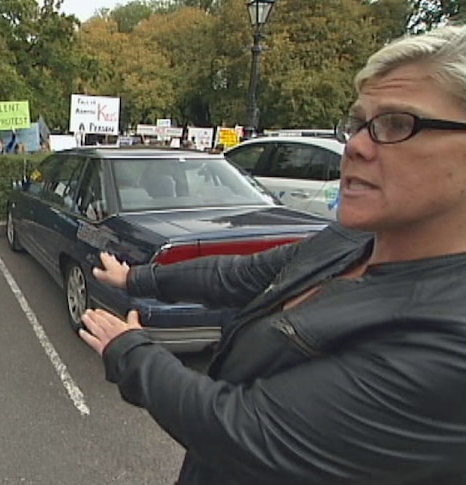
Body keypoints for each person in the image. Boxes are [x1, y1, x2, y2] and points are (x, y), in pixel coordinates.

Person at [78, 25, 466, 485]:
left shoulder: (448, 336)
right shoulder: (348, 242)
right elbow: (239, 275)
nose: (357, 146)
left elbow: (243, 431)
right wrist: (138, 280)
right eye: (358, 124)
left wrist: (131, 352)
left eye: (398, 125)